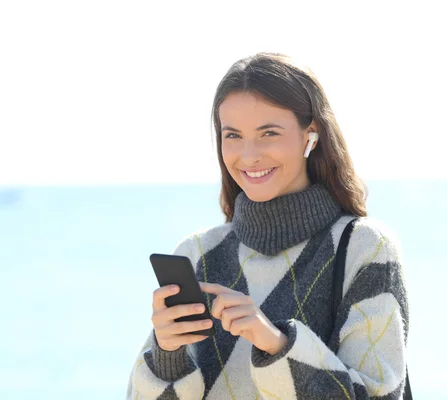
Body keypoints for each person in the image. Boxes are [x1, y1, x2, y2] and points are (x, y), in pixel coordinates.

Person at [126, 52, 409, 399]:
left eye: (269, 133)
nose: (249, 155)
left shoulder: (364, 248)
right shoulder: (197, 254)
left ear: (312, 134)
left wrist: (276, 344)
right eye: (232, 136)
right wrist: (167, 356)